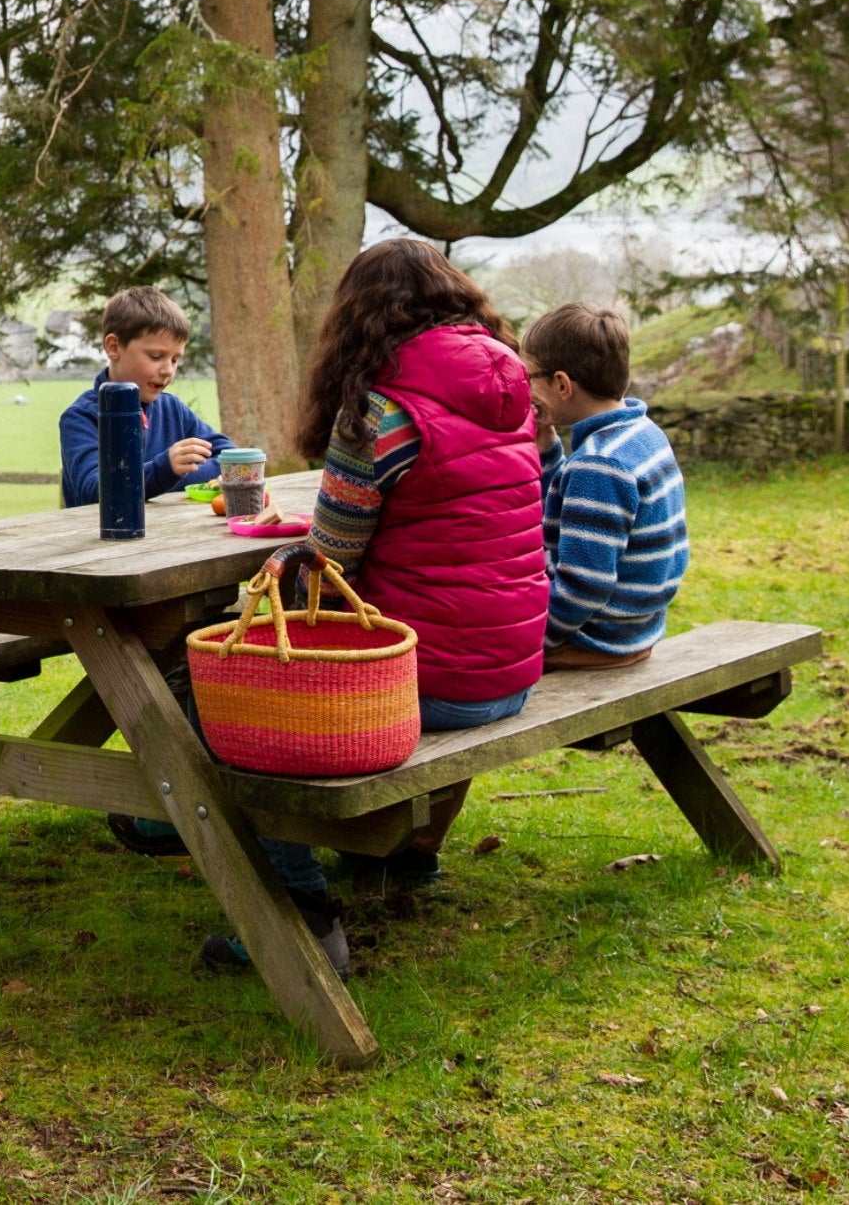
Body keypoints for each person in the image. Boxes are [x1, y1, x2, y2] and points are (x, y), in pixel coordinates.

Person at [188, 240, 547, 980]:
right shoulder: (510, 394)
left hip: (431, 680)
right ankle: (406, 861)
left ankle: (299, 911)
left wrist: (295, 544)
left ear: (360, 322)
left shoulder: (380, 415)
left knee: (217, 696)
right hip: (511, 671)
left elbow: (327, 564)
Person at [523, 302, 689, 669]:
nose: (526, 388)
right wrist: (548, 452)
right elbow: (574, 506)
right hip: (634, 628)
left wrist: (533, 642)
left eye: (530, 377)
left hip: (594, 638)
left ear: (562, 384)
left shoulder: (599, 464)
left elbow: (584, 586)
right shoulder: (639, 432)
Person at [58, 286, 232, 509]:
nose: (168, 370)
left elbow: (231, 459)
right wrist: (165, 470)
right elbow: (95, 490)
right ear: (113, 347)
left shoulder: (173, 409)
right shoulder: (82, 418)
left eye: (175, 360)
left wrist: (174, 474)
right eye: (156, 356)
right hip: (103, 541)